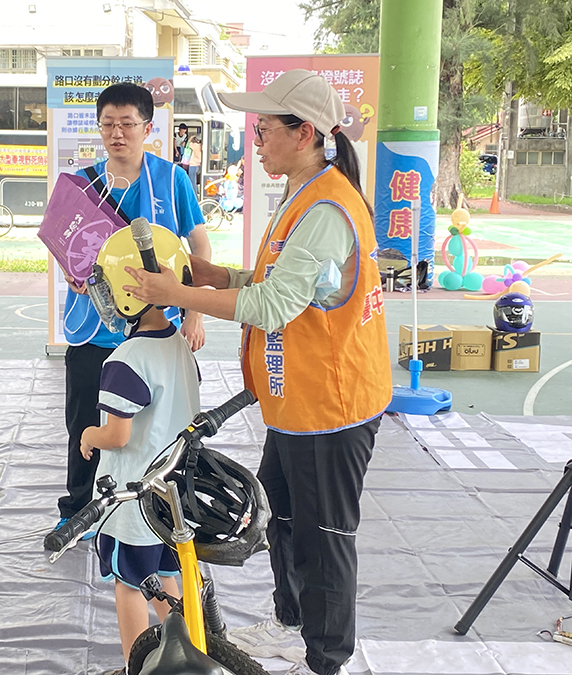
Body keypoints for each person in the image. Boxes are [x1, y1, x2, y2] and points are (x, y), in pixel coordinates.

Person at [120, 69, 391, 675]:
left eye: (264, 128)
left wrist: (180, 294)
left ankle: (326, 659)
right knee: (282, 520)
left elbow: (274, 307)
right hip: (300, 400)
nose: (256, 139)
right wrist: (221, 278)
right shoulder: (305, 191)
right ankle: (292, 624)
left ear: (306, 133)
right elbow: (279, 286)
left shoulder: (325, 207)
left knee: (326, 538)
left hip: (333, 406)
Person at [49, 81, 211, 540]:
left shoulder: (172, 178)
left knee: (164, 427)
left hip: (157, 329)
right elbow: (65, 251)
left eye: (127, 124)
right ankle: (78, 510)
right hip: (94, 329)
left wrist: (196, 311)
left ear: (147, 126)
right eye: (108, 124)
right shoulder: (82, 184)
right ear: (98, 127)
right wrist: (70, 272)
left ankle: (162, 510)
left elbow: (197, 243)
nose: (117, 133)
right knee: (84, 424)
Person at [80, 224, 199, 673]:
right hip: (172, 501)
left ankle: (137, 664)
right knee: (169, 578)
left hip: (132, 506)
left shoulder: (125, 359)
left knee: (130, 585)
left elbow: (118, 435)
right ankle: (187, 655)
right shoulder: (181, 346)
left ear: (129, 294)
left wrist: (89, 436)